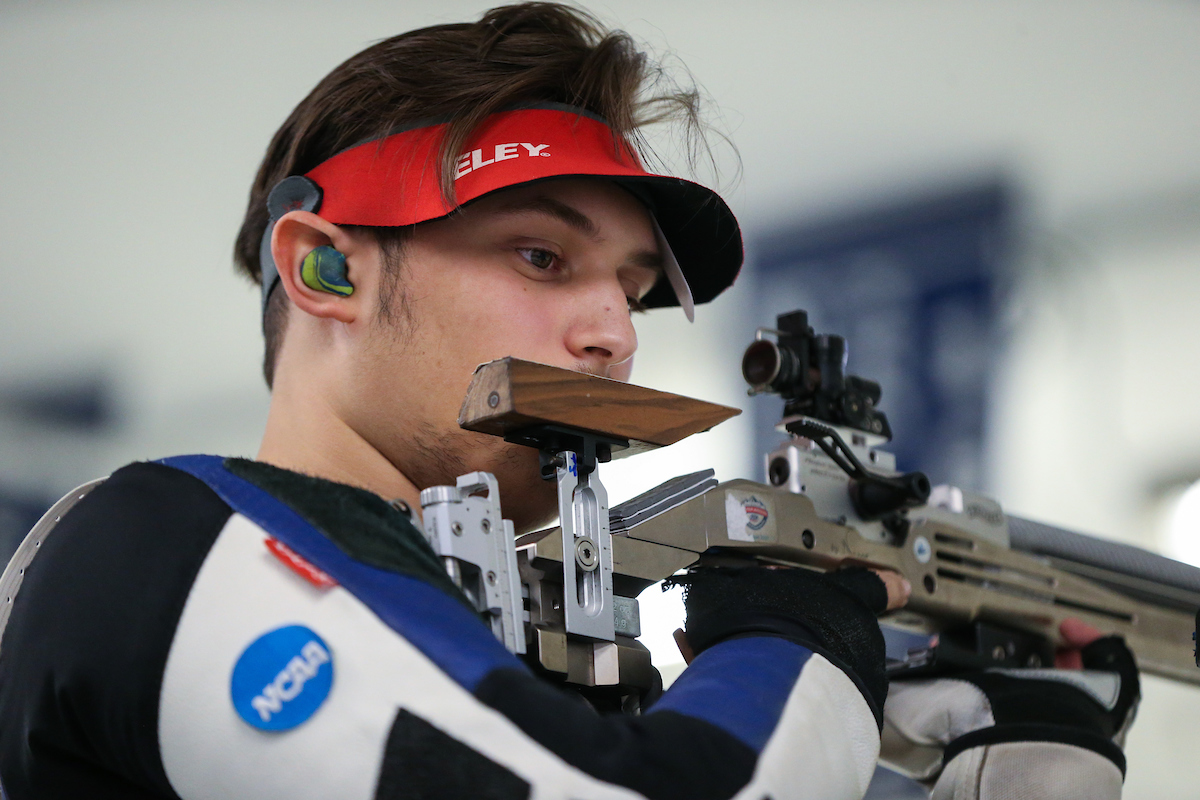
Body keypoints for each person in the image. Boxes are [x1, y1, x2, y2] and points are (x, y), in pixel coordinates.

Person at [0, 5, 1137, 799]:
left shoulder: (546, 662)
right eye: (542, 255)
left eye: (634, 290)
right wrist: (806, 639)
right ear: (326, 269)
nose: (614, 333)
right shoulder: (153, 545)